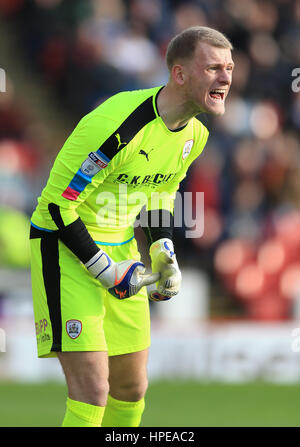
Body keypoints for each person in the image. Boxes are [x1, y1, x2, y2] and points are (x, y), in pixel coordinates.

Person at [30, 26, 234, 427]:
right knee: (92, 391)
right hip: (66, 251)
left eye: (228, 68)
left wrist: (164, 253)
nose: (225, 78)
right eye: (212, 68)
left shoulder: (195, 135)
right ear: (179, 74)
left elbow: (160, 193)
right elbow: (55, 207)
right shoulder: (115, 124)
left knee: (131, 389)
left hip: (124, 249)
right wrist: (103, 270)